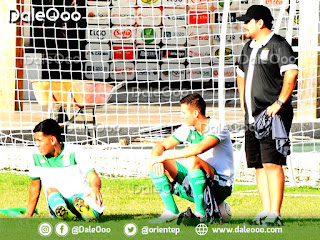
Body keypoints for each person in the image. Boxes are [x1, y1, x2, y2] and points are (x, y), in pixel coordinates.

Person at [236, 5, 299, 226]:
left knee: (272, 162)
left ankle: (275, 212)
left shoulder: (278, 45)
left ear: (260, 23)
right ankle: (264, 210)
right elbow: (240, 75)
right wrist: (244, 105)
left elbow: (291, 73)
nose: (243, 25)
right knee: (258, 164)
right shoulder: (248, 47)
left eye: (247, 21)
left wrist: (279, 103)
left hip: (273, 116)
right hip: (252, 117)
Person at [149, 93, 234, 223]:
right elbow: (161, 145)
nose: (181, 116)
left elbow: (199, 148)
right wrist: (157, 159)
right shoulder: (187, 129)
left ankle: (200, 213)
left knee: (192, 159)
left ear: (195, 113)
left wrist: (164, 156)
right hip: (197, 180)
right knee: (154, 163)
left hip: (221, 185)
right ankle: (172, 211)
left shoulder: (217, 126)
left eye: (183, 113)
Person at [22, 118, 104, 220]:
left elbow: (93, 177)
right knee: (51, 191)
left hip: (81, 199)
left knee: (88, 198)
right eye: (36, 141)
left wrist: (95, 188)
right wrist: (28, 214)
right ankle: (64, 213)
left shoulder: (75, 152)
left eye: (40, 141)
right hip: (58, 201)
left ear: (52, 140)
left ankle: (89, 214)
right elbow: (34, 187)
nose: (37, 145)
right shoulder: (35, 156)